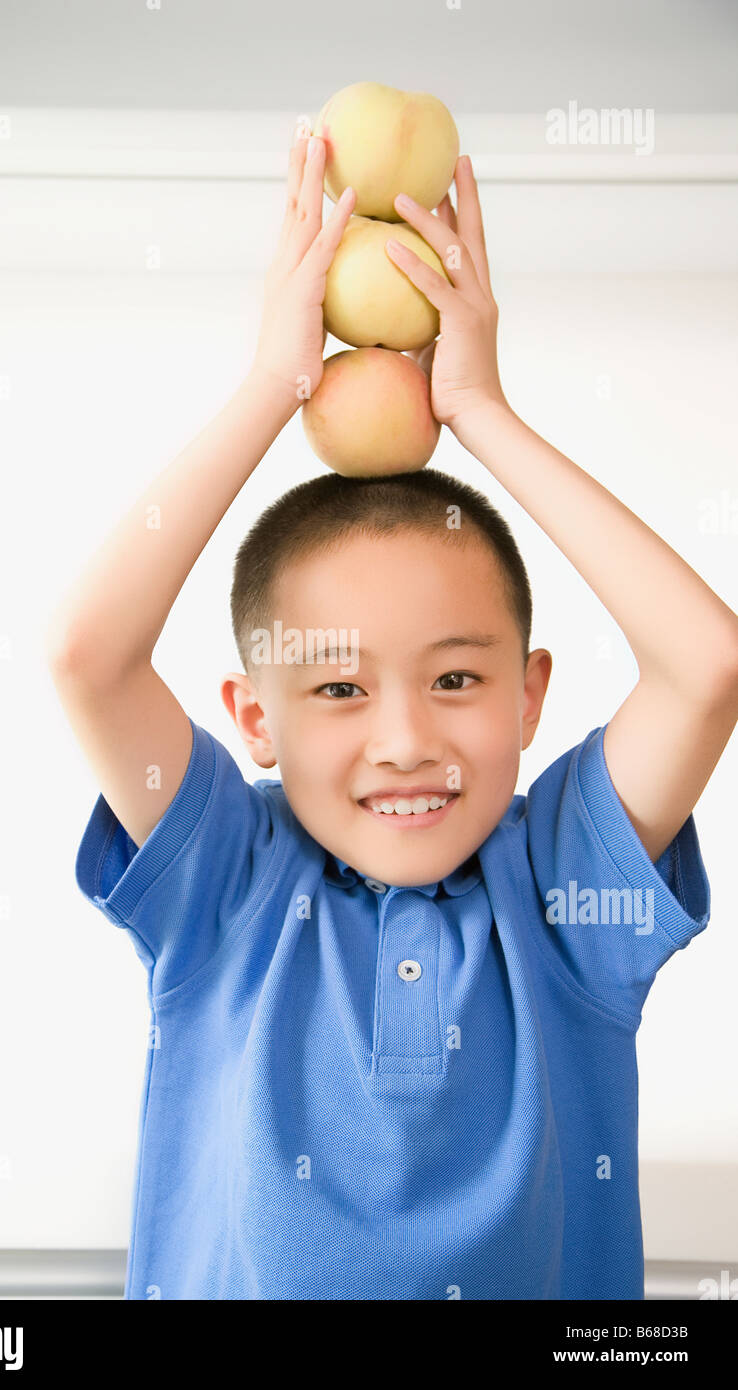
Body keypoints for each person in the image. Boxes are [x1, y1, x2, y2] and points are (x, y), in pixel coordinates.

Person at [46, 129, 738, 1299]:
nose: (405, 738)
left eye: (457, 678)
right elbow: (88, 654)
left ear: (528, 696)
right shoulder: (229, 877)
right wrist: (274, 385)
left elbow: (705, 663)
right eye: (336, 687)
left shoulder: (564, 886)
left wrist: (478, 408)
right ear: (252, 718)